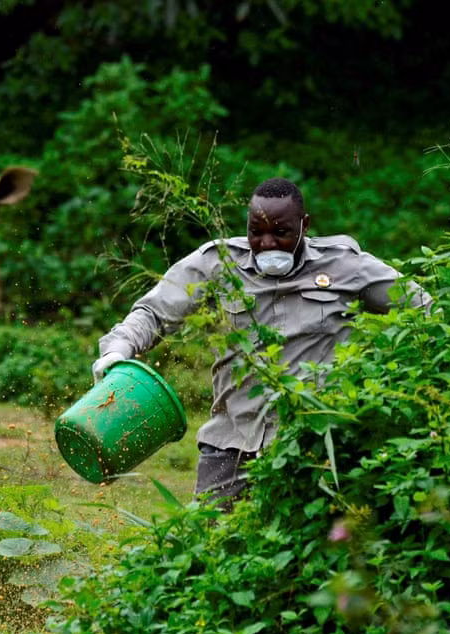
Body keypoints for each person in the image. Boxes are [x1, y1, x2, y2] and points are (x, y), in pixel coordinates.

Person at [92, 177, 430, 511]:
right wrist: (117, 351)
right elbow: (154, 312)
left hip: (315, 446)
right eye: (257, 232)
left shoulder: (344, 265)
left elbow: (422, 309)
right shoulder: (219, 263)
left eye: (280, 233)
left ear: (304, 225)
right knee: (208, 548)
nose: (267, 243)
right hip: (231, 443)